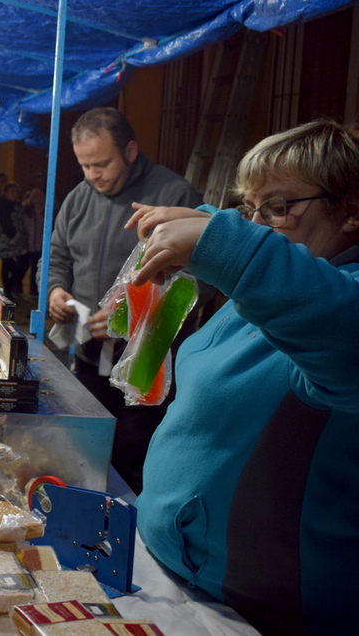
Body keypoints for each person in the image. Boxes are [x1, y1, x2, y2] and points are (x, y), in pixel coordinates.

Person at [126, 120, 359, 634]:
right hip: (172, 576)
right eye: (250, 209)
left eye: (278, 207)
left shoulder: (336, 302)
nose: (259, 225)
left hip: (260, 610)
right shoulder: (276, 285)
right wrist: (212, 223)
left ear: (350, 211)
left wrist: (223, 239)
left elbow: (334, 326)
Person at [46, 106, 202, 493]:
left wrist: (126, 318)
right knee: (82, 455)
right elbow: (57, 257)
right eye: (84, 165)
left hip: (145, 369)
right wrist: (54, 289)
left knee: (131, 464)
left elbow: (194, 288)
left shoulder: (173, 196)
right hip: (87, 358)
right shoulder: (79, 199)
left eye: (101, 164)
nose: (92, 175)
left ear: (131, 151)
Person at [0, 181, 30, 298]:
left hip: (18, 240)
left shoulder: (17, 205)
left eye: (16, 192)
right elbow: (4, 224)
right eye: (12, 192)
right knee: (8, 264)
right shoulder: (1, 205)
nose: (14, 194)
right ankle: (8, 289)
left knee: (23, 263)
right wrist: (12, 235)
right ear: (5, 193)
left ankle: (10, 287)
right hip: (6, 240)